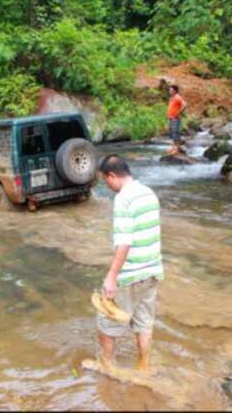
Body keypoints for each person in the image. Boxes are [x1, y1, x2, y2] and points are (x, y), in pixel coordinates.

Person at [96, 154, 163, 373]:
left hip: (131, 274)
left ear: (112, 175)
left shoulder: (123, 199)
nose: (107, 185)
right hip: (152, 270)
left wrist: (112, 277)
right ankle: (143, 366)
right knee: (144, 323)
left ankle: (106, 364)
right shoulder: (148, 193)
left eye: (105, 180)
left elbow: (124, 242)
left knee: (107, 320)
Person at [166, 85, 187, 154]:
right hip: (171, 118)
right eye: (169, 90)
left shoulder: (178, 97)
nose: (170, 91)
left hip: (175, 118)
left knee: (176, 133)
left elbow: (184, 105)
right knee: (172, 133)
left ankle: (177, 149)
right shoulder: (172, 98)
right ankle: (173, 147)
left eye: (171, 90)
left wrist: (178, 113)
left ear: (175, 91)